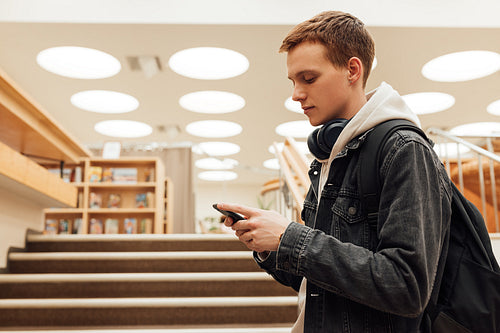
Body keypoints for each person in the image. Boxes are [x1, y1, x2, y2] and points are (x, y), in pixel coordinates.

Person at [216, 10, 452, 332]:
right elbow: (318, 275)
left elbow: (406, 286)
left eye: (308, 78)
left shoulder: (403, 149)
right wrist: (269, 245)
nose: (296, 94)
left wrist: (290, 237)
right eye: (293, 81)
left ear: (352, 70)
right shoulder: (331, 156)